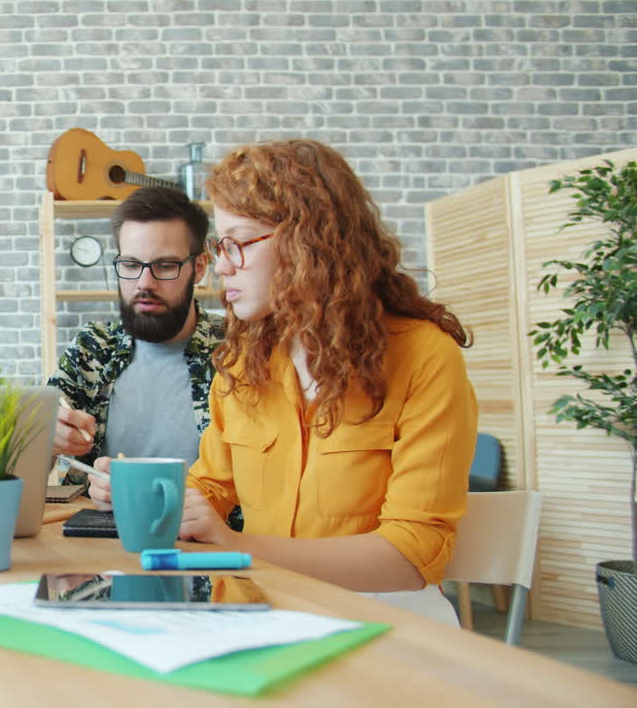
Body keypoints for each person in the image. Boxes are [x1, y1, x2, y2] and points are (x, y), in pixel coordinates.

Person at [89, 139, 477, 623]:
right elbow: (210, 486)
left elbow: (412, 552)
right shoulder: (243, 361)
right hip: (255, 618)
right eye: (219, 244)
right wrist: (144, 493)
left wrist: (238, 546)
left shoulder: (423, 356)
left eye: (239, 242)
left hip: (382, 628)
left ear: (308, 241)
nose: (223, 265)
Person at [50, 186, 225, 478]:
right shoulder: (92, 348)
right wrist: (48, 439)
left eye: (165, 266)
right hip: (98, 521)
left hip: (206, 524)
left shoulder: (238, 350)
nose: (144, 283)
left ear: (200, 267)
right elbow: (29, 457)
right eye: (130, 265)